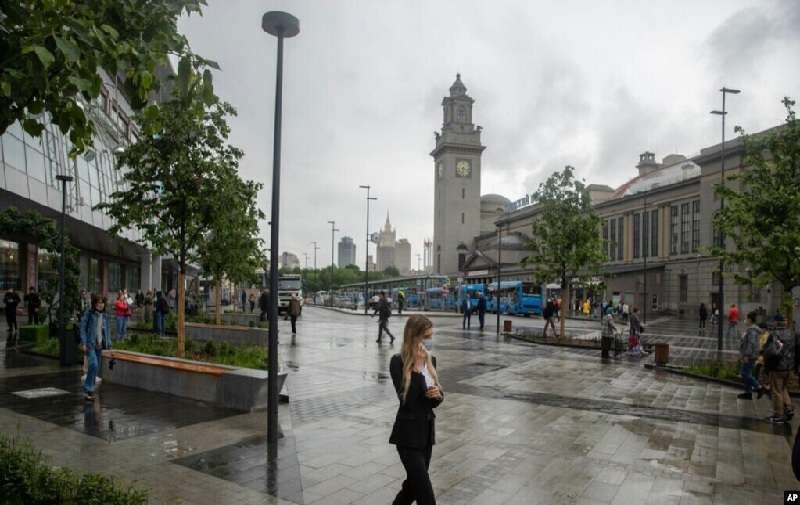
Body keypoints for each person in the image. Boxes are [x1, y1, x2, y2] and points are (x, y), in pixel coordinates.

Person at [389, 315, 443, 505]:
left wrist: (437, 395)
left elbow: (435, 400)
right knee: (426, 496)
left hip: (426, 436)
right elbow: (408, 401)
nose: (424, 344)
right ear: (413, 336)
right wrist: (418, 369)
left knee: (412, 488)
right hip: (408, 437)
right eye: (423, 338)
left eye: (427, 339)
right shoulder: (398, 362)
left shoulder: (431, 359)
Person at [79, 294, 111, 401]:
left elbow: (107, 330)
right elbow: (82, 328)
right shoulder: (89, 314)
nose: (100, 305)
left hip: (100, 344)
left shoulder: (105, 315)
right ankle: (88, 388)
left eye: (102, 303)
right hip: (90, 344)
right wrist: (84, 343)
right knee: (93, 364)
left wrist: (109, 343)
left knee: (95, 368)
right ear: (94, 304)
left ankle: (89, 391)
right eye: (98, 303)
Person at [763, 322, 795, 423]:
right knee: (783, 389)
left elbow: (771, 352)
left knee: (776, 390)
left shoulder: (774, 335)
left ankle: (778, 414)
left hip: (777, 367)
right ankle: (789, 408)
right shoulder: (791, 334)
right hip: (788, 367)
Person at [738, 311, 762, 400]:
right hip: (752, 354)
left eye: (746, 318)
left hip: (750, 355)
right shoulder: (752, 329)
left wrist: (746, 355)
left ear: (750, 319)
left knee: (744, 373)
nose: (745, 320)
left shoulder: (752, 330)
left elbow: (751, 344)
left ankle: (759, 387)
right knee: (748, 373)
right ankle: (748, 393)